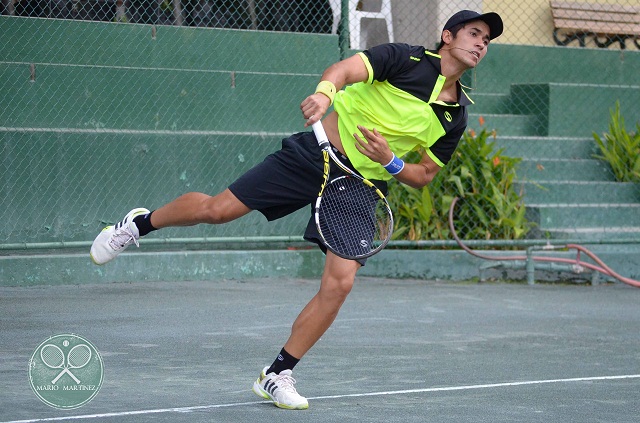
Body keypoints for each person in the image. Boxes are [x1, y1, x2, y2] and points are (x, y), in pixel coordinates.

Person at [90, 9, 503, 410]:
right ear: (448, 36)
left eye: (486, 41)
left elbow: (425, 173)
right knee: (218, 211)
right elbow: (341, 72)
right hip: (315, 153)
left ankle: (277, 373)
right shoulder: (404, 58)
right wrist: (323, 97)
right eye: (473, 34)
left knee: (340, 284)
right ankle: (138, 224)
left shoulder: (455, 114)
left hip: (360, 186)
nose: (480, 45)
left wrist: (391, 160)